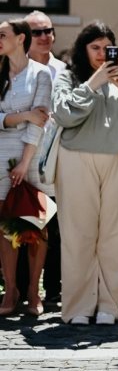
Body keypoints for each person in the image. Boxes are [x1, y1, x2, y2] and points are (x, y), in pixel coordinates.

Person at [53, 22, 118, 325]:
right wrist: (93, 83)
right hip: (75, 160)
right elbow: (63, 113)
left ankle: (109, 306)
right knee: (77, 236)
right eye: (94, 47)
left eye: (106, 47)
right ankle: (78, 307)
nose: (100, 54)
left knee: (116, 236)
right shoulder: (68, 77)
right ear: (83, 49)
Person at [0, 20, 51, 315]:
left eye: (2, 35)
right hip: (0, 159)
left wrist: (24, 162)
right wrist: (22, 115)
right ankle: (10, 290)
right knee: (5, 227)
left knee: (36, 225)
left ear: (21, 38)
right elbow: (21, 117)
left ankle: (34, 289)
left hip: (31, 158)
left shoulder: (41, 74)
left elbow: (41, 121)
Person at [23, 11, 64, 306]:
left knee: (57, 227)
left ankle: (53, 289)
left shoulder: (64, 70)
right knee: (25, 224)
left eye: (48, 30)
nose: (45, 36)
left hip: (58, 158)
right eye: (38, 32)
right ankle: (25, 289)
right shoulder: (13, 70)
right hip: (23, 157)